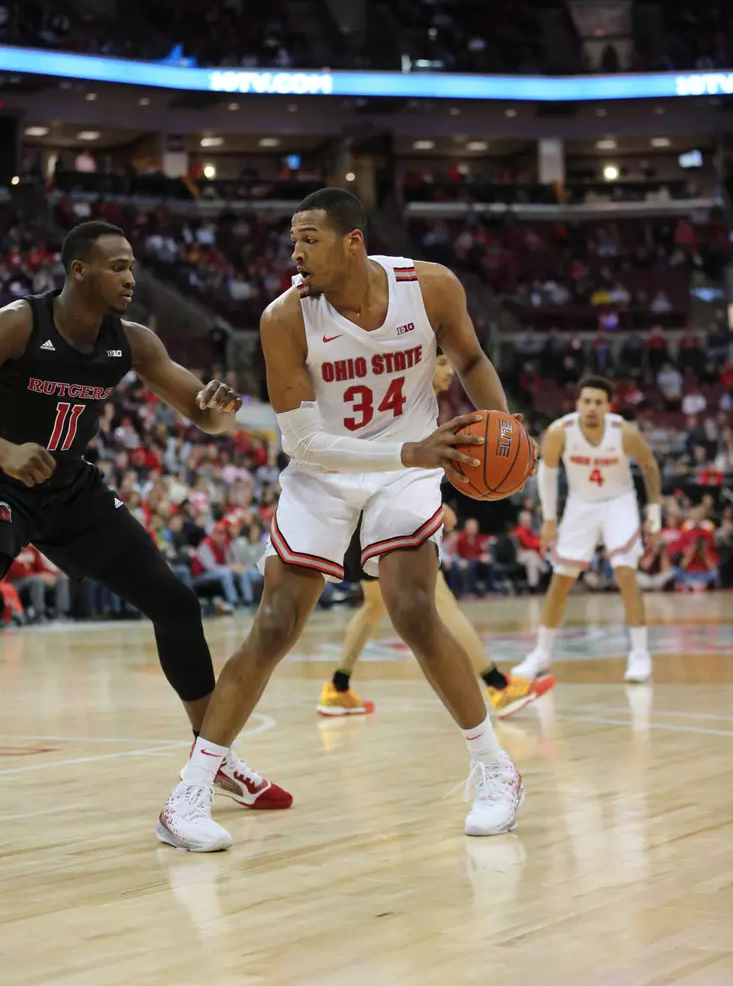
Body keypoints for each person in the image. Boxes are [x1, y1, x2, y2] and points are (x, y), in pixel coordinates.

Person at [159, 187, 537, 852]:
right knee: (275, 625)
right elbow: (301, 442)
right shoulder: (283, 319)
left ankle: (495, 769)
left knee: (415, 608)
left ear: (353, 242)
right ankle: (188, 791)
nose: (295, 250)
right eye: (292, 239)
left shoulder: (432, 287)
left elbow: (472, 361)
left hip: (407, 469)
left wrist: (499, 428)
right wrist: (408, 449)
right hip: (326, 473)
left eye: (309, 237)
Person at [0, 220, 290, 812]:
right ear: (79, 270)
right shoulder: (20, 323)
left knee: (176, 603)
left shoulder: (132, 341)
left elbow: (202, 414)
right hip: (3, 478)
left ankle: (214, 758)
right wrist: (4, 451)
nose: (131, 278)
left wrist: (218, 411)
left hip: (71, 490)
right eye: (118, 267)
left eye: (133, 266)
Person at [317, 353, 553, 719]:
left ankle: (337, 687)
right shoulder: (397, 403)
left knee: (375, 606)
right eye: (442, 362)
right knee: (440, 600)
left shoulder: (417, 404)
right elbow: (381, 455)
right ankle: (498, 687)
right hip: (374, 511)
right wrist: (429, 506)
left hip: (368, 512)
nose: (449, 371)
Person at [511, 376, 661, 685]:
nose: (591, 407)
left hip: (619, 501)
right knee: (561, 580)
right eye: (586, 401)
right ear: (577, 403)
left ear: (609, 406)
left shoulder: (623, 432)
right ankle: (541, 654)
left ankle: (639, 653)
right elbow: (548, 474)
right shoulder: (559, 432)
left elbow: (649, 465)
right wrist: (549, 520)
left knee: (625, 571)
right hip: (581, 504)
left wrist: (654, 512)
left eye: (598, 402)